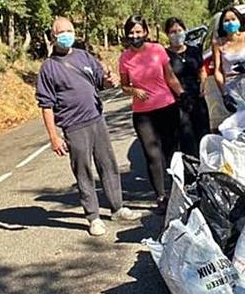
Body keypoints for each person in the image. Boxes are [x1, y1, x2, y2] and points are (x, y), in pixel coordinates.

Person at [36, 17, 146, 236]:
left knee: (108, 164)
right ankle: (93, 217)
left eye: (69, 30)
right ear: (53, 37)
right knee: (84, 171)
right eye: (61, 32)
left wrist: (110, 80)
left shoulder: (84, 56)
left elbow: (101, 82)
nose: (66, 35)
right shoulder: (48, 68)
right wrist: (54, 137)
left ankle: (117, 207)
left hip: (97, 118)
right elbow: (45, 105)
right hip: (73, 126)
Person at [118, 14, 186, 212]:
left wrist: (181, 94)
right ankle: (161, 196)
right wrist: (133, 90)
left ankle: (178, 191)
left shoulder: (157, 50)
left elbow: (170, 76)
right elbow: (124, 86)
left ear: (145, 32)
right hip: (143, 113)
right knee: (152, 155)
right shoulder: (125, 58)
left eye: (138, 31)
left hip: (166, 106)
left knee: (171, 152)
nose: (135, 35)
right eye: (131, 32)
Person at [163, 17, 210, 156]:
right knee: (186, 137)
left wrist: (203, 84)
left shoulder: (194, 51)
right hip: (178, 101)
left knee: (203, 133)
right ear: (167, 34)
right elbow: (167, 78)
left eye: (179, 30)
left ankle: (207, 165)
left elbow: (202, 70)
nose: (177, 34)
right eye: (173, 32)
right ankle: (192, 170)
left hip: (198, 97)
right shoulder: (165, 55)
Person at [212, 6, 245, 112]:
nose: (230, 23)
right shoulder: (218, 44)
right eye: (226, 21)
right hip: (231, 85)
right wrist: (224, 94)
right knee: (241, 119)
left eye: (233, 19)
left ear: (239, 21)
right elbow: (217, 70)